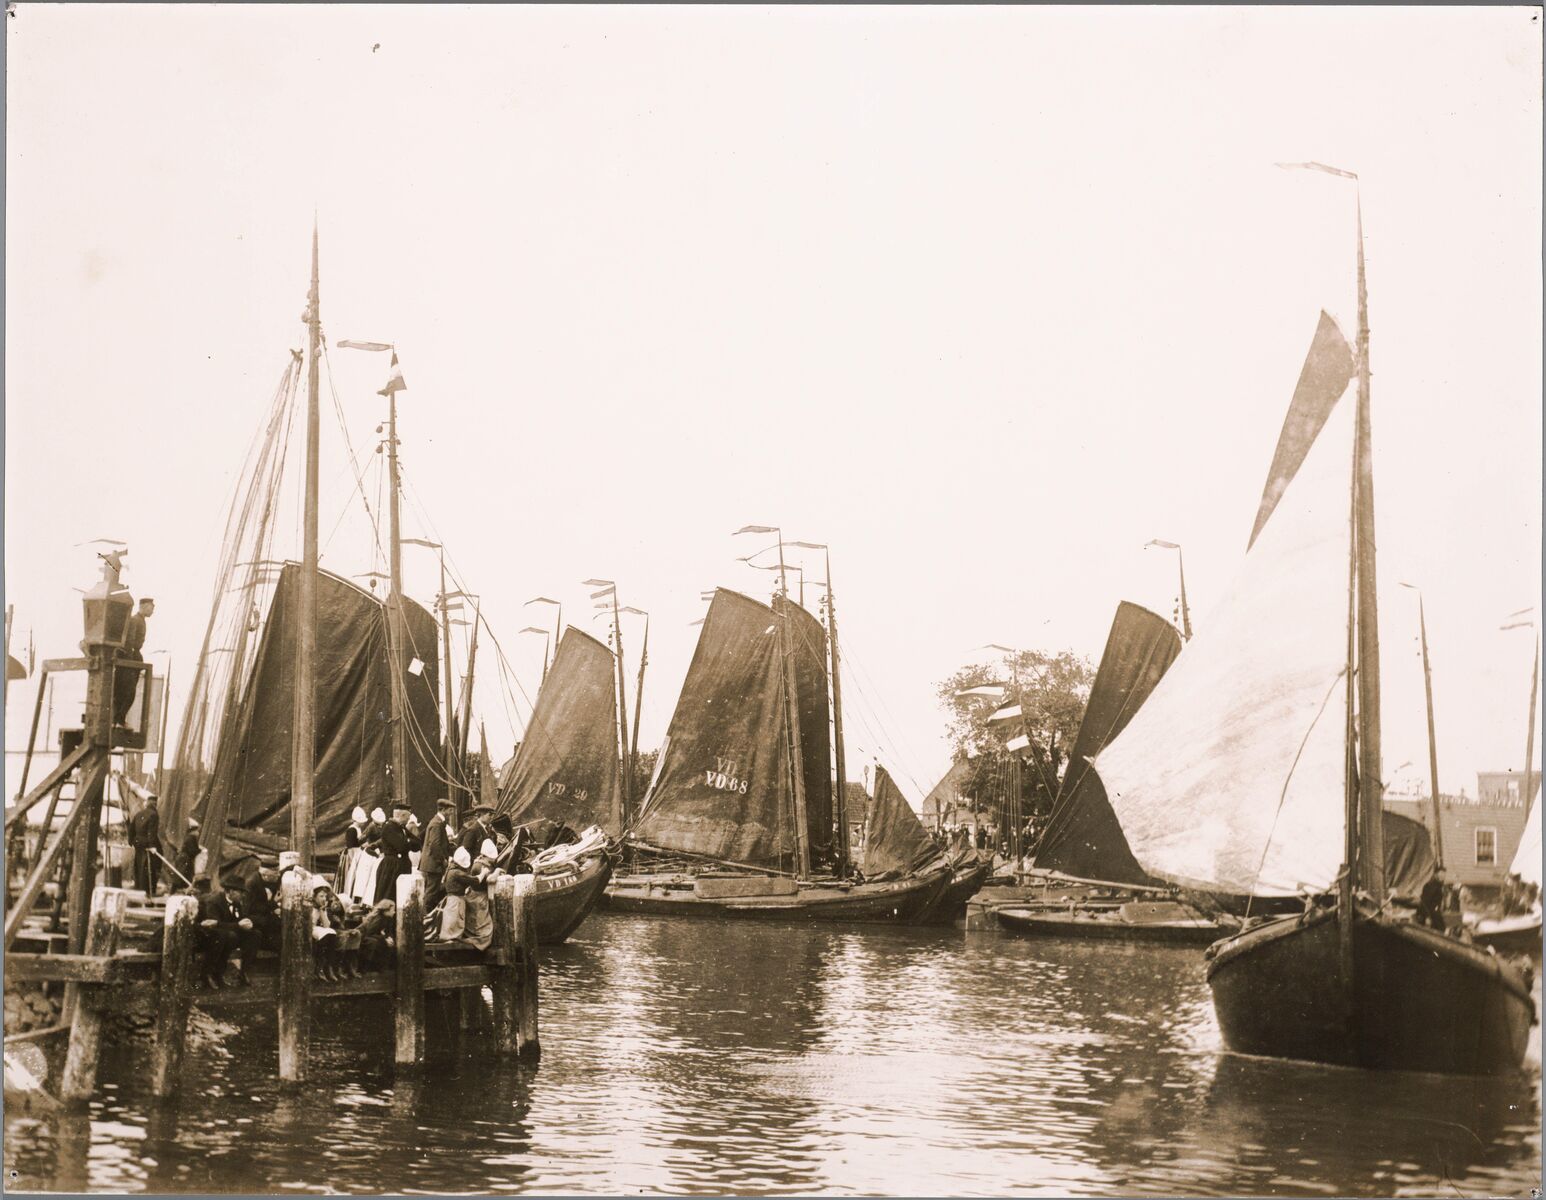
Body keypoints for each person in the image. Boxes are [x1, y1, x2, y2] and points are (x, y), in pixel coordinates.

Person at [113, 597, 154, 725]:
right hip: (129, 657)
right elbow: (129, 642)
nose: (153, 611)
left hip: (133, 656)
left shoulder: (140, 620)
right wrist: (130, 662)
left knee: (127, 691)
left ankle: (119, 717)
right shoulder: (135, 620)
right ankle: (118, 717)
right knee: (128, 691)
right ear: (145, 606)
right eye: (151, 607)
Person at [374, 801, 423, 906]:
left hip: (401, 866)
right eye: (407, 817)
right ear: (402, 816)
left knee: (402, 896)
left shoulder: (402, 828)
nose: (408, 820)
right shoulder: (389, 827)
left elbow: (417, 844)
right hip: (392, 867)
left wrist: (407, 842)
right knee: (390, 895)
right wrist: (408, 842)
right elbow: (401, 846)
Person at [420, 798, 456, 911]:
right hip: (434, 864)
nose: (451, 813)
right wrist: (443, 861)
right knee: (431, 892)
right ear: (443, 810)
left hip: (432, 863)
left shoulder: (437, 822)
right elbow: (435, 845)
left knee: (432, 891)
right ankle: (425, 917)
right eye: (450, 810)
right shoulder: (437, 824)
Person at [128, 791, 161, 896]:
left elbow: (131, 829)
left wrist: (131, 841)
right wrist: (152, 846)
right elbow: (151, 832)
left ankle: (139, 888)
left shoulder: (139, 814)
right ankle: (148, 891)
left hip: (138, 843)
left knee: (138, 865)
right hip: (147, 845)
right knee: (148, 867)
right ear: (155, 804)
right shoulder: (154, 814)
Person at [172, 818, 201, 889]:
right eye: (196, 831)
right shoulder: (191, 838)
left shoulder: (188, 837)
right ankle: (174, 889)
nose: (198, 833)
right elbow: (192, 850)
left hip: (184, 858)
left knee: (182, 875)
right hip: (185, 859)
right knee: (181, 875)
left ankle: (179, 889)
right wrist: (199, 850)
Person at [1417, 866, 1446, 931]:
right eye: (1441, 874)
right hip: (1429, 915)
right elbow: (1424, 902)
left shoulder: (1439, 886)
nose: (1443, 877)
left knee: (1441, 929)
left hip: (1435, 914)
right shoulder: (1430, 886)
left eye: (1444, 875)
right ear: (1436, 874)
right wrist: (1427, 917)